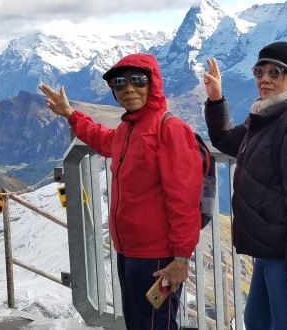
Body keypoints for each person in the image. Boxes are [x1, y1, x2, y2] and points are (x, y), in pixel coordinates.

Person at [39, 53, 203, 330]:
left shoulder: (170, 128)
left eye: (138, 80)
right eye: (119, 83)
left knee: (156, 324)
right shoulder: (129, 129)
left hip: (157, 256)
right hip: (129, 251)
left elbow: (185, 200)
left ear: (153, 84)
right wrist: (70, 114)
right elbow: (102, 139)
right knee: (139, 322)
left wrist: (181, 258)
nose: (128, 88)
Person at [202, 41, 287, 330]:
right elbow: (227, 141)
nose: (265, 79)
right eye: (259, 72)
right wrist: (216, 99)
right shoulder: (266, 116)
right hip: (270, 249)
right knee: (256, 321)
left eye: (275, 72)